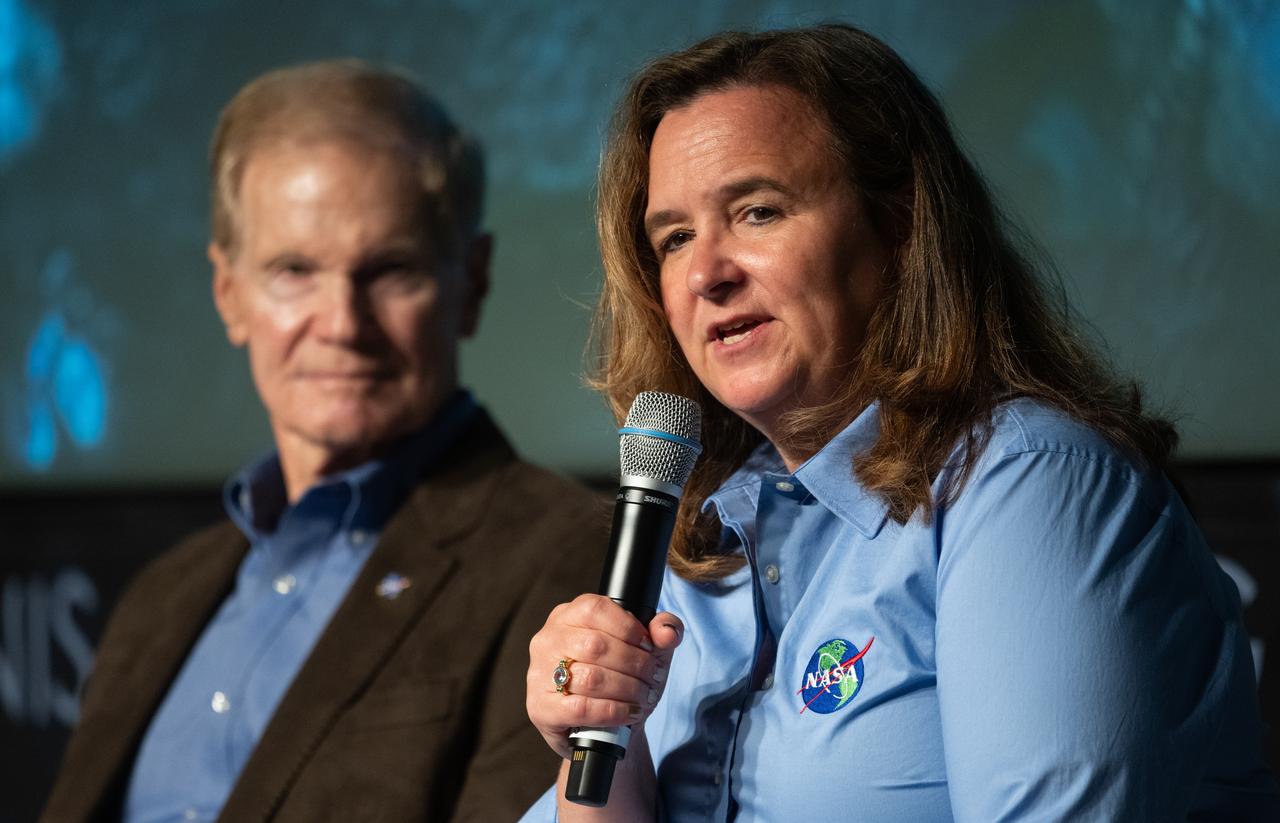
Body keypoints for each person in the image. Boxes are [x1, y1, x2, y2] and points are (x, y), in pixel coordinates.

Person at [521, 24, 1279, 821]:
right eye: (674, 238)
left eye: (757, 212)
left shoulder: (1030, 482)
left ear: (899, 225)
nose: (707, 272)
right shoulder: (703, 551)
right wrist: (606, 738)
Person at [40, 60, 607, 823]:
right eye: (293, 271)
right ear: (228, 293)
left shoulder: (569, 557)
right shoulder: (162, 596)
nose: (341, 323)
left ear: (470, 283)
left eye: (391, 270)